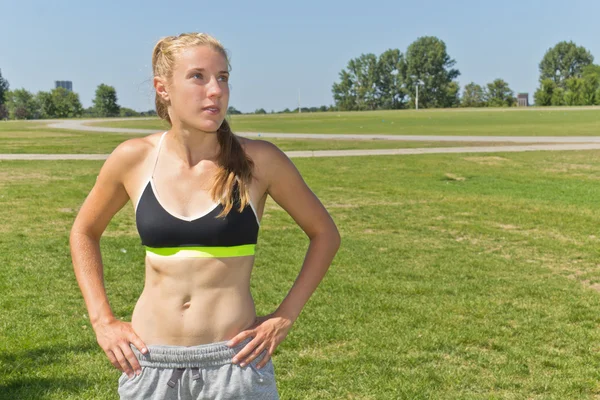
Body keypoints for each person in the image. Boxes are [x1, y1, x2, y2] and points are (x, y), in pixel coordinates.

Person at [69, 32, 341, 400]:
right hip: (149, 364)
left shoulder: (258, 161)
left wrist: (284, 316)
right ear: (162, 88)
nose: (215, 90)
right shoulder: (133, 158)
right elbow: (84, 231)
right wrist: (102, 321)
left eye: (223, 77)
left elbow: (325, 233)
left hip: (235, 365)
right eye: (198, 76)